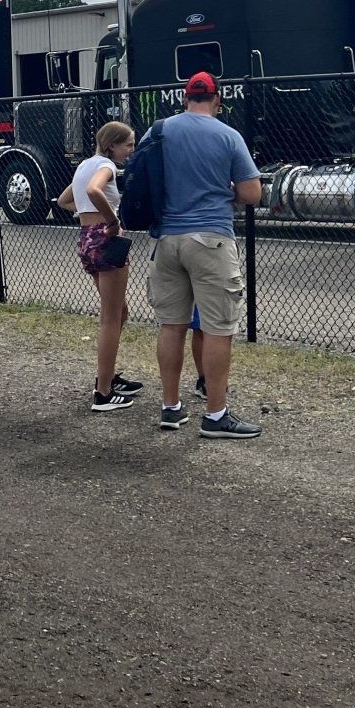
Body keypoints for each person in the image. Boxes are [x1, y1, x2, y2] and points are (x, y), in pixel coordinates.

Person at [147, 71, 263, 438]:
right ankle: (215, 414)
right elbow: (252, 193)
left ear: (185, 98)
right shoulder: (228, 136)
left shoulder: (160, 130)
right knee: (217, 329)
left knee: (172, 325)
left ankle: (170, 407)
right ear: (216, 100)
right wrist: (224, 188)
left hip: (168, 240)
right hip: (211, 239)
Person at [62, 121, 146, 411]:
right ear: (112, 145)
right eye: (128, 145)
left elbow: (64, 200)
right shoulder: (107, 167)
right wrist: (111, 221)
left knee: (119, 311)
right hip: (105, 238)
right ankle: (104, 392)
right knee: (111, 317)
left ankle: (108, 376)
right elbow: (96, 190)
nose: (131, 150)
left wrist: (87, 213)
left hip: (86, 238)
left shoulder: (85, 164)